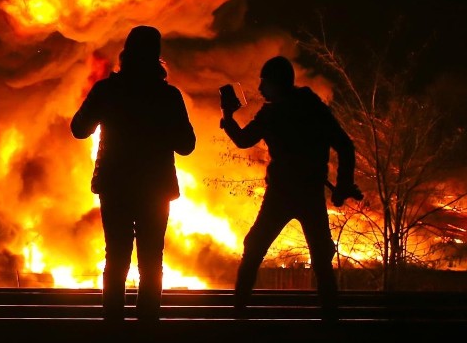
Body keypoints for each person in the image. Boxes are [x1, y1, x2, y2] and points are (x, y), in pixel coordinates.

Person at [71, 25, 196, 321]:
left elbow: (79, 129)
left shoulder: (107, 90)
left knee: (116, 257)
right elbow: (187, 145)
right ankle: (148, 326)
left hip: (116, 185)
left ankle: (113, 324)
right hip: (155, 187)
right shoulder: (167, 96)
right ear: (157, 57)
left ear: (126, 54)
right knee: (152, 260)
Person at [220, 55, 359, 321]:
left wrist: (227, 116)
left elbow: (243, 139)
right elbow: (344, 145)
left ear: (276, 83)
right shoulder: (313, 108)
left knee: (254, 249)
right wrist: (342, 185)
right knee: (320, 258)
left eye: (264, 83)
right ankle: (331, 320)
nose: (260, 89)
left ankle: (237, 317)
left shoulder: (273, 113)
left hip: (282, 195)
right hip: (309, 193)